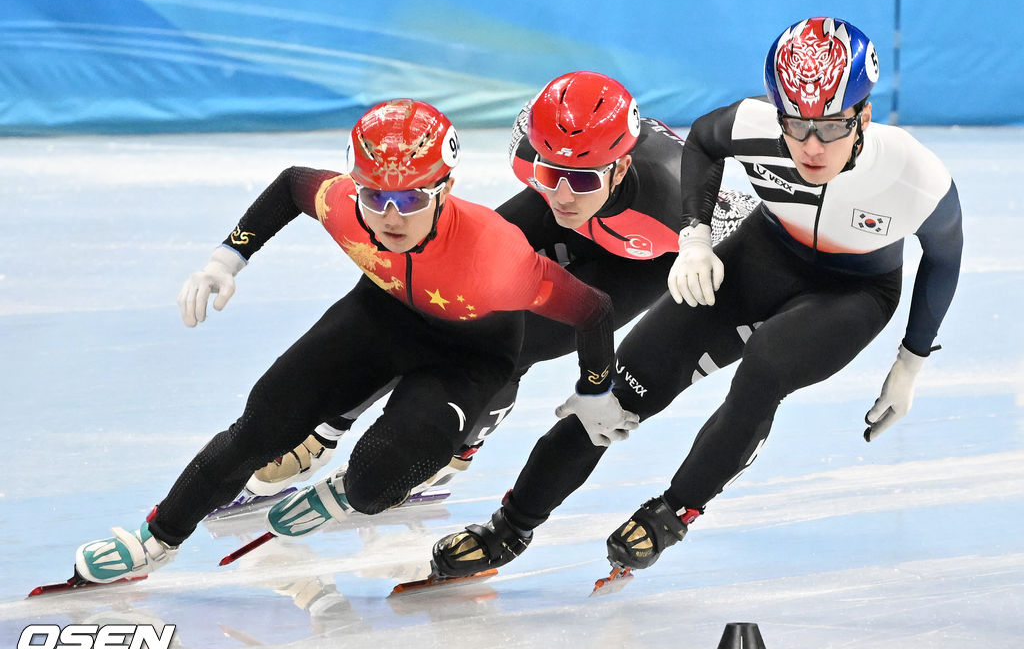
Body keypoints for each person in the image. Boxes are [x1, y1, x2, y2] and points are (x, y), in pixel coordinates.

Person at [430, 17, 963, 578]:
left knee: (767, 367)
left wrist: (910, 364)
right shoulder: (752, 124)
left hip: (852, 291)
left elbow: (945, 257)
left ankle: (675, 509)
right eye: (795, 124)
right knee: (618, 392)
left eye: (830, 127)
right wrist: (696, 237)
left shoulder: (913, 173)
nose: (810, 146)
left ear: (864, 115)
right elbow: (704, 144)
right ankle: (510, 527)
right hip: (762, 256)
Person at [72, 99, 636, 584]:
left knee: (375, 483)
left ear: (445, 189)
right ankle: (158, 537)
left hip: (469, 356)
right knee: (258, 429)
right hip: (380, 318)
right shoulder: (344, 205)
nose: (390, 216)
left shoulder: (498, 255)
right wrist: (228, 258)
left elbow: (593, 307)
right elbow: (293, 182)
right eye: (375, 196)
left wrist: (593, 388)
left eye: (412, 199)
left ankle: (350, 490)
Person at [244, 71, 756, 499]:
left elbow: (761, 248)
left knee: (513, 339)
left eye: (579, 176)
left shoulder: (685, 203)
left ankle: (458, 446)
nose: (560, 189)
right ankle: (326, 427)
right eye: (548, 168)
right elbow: (555, 184)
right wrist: (565, 182)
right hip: (574, 215)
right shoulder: (534, 154)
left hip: (638, 260)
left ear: (620, 167)